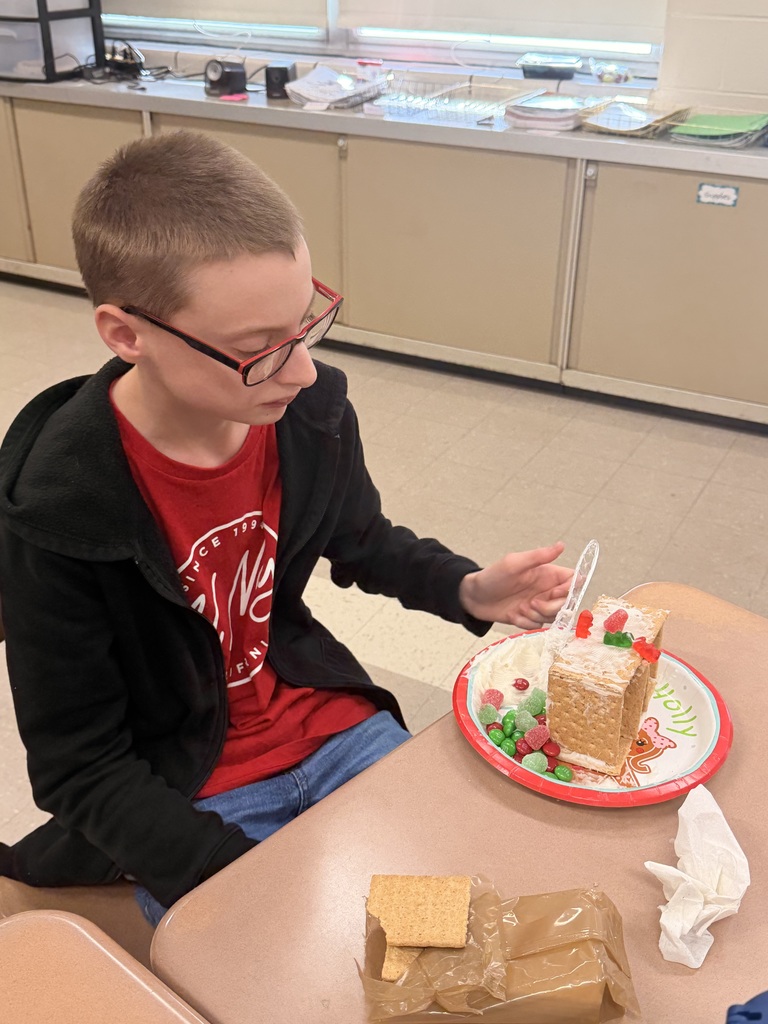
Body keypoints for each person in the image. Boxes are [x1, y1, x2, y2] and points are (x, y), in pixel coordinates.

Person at [0, 130, 572, 927]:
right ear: (127, 335)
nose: (302, 370)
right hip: (186, 788)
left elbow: (363, 538)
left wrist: (469, 588)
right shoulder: (59, 506)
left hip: (329, 726)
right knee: (282, 970)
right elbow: (79, 766)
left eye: (305, 324)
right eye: (256, 350)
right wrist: (233, 878)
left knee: (482, 916)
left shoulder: (306, 414)